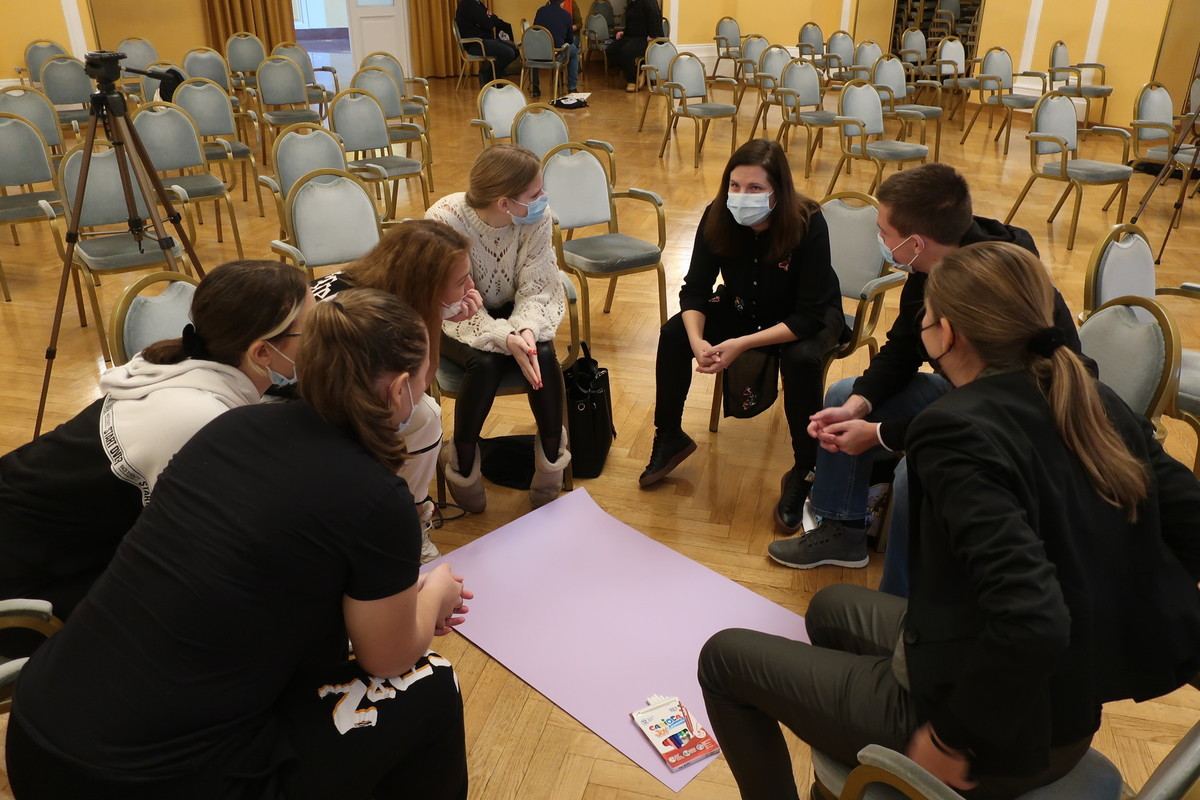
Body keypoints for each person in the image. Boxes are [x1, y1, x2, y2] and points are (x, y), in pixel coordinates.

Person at [699, 241, 1200, 800]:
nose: (920, 323)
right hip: (1068, 712)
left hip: (996, 743)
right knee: (829, 607)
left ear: (949, 332)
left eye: (925, 314)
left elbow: (1032, 616)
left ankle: (877, 750)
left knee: (722, 659)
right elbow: (1190, 520)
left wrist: (952, 736)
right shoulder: (1088, 396)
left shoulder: (954, 428)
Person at [7, 289, 473, 800]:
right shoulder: (377, 497)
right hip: (145, 781)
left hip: (39, 731)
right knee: (431, 682)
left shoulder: (229, 425)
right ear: (402, 389)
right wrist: (435, 596)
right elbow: (386, 659)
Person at [769, 163, 1091, 582]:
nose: (879, 241)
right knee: (843, 393)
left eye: (883, 232)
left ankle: (901, 601)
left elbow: (978, 413)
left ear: (916, 242)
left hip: (1023, 419)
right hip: (973, 398)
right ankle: (841, 529)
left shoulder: (999, 283)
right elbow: (903, 347)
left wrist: (879, 433)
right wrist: (858, 405)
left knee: (915, 471)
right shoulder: (929, 266)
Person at [0, 260, 310, 622]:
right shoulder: (199, 418)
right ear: (262, 353)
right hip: (25, 582)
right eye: (313, 330)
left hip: (54, 543)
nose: (325, 337)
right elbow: (200, 549)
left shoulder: (187, 365)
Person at [639, 139, 845, 535]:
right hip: (742, 304)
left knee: (801, 360)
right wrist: (699, 341)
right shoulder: (717, 215)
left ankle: (805, 469)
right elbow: (695, 289)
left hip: (805, 315)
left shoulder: (808, 221)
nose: (740, 196)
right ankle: (669, 436)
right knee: (674, 333)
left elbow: (807, 316)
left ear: (778, 191)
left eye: (754, 188)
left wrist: (741, 344)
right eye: (734, 185)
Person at [311, 219, 483, 562]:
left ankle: (402, 516)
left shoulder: (372, 282)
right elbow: (414, 386)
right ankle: (402, 522)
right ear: (426, 286)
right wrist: (432, 318)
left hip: (319, 400)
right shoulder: (374, 317)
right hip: (310, 412)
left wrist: (439, 313)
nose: (471, 286)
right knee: (424, 415)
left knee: (419, 415)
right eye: (461, 280)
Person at [426, 144, 568, 511]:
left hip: (511, 307)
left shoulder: (534, 216)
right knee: (485, 363)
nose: (543, 199)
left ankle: (551, 460)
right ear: (505, 203)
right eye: (535, 194)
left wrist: (524, 332)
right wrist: (502, 337)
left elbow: (539, 285)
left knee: (542, 351)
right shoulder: (445, 219)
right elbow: (450, 303)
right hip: (454, 314)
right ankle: (462, 461)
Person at [456, 0, 518, 87]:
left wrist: (490, 18)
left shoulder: (478, 4)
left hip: (485, 40)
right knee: (509, 52)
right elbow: (488, 24)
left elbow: (491, 19)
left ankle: (490, 73)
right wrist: (491, 18)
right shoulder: (468, 3)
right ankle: (490, 76)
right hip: (475, 43)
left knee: (515, 50)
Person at [609, 0, 663, 91]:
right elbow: (632, 23)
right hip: (632, 36)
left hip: (647, 38)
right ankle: (637, 73)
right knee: (611, 51)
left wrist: (653, 35)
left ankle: (632, 81)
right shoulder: (632, 3)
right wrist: (623, 32)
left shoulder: (648, 2)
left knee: (626, 51)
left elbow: (656, 18)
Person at [531, 0, 579, 97]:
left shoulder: (540, 11)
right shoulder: (566, 15)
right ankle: (572, 87)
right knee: (574, 51)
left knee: (534, 51)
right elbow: (569, 40)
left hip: (539, 54)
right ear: (563, 2)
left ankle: (535, 88)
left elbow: (535, 30)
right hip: (556, 54)